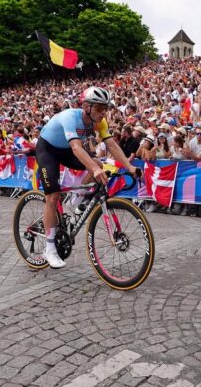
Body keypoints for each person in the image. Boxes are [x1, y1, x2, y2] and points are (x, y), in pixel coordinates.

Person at [35, 88, 139, 267]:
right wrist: (94, 169)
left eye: (105, 108)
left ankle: (76, 201)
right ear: (86, 106)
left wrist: (130, 167)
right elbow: (76, 148)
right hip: (48, 150)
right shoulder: (70, 117)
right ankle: (50, 249)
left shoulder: (100, 122)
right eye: (99, 108)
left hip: (66, 151)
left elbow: (112, 145)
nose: (103, 112)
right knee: (53, 196)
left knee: (98, 164)